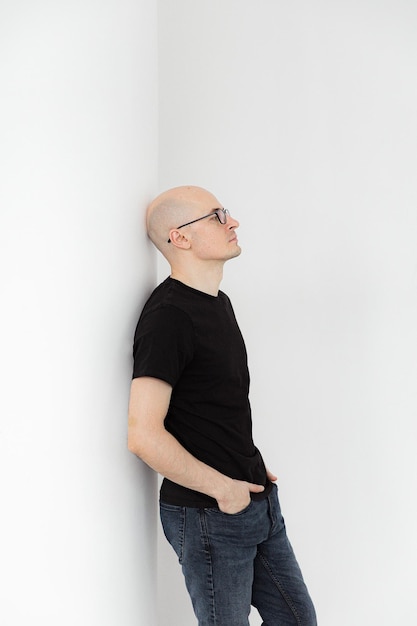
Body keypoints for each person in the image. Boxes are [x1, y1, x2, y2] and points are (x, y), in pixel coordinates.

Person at [128, 185, 317, 626]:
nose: (232, 222)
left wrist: (247, 465)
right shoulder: (168, 316)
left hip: (255, 500)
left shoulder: (218, 303)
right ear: (181, 237)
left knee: (297, 619)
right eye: (217, 216)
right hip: (209, 514)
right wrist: (223, 488)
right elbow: (143, 435)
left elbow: (213, 405)